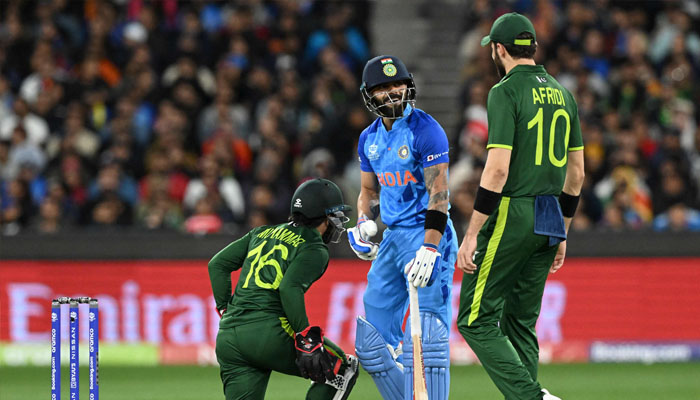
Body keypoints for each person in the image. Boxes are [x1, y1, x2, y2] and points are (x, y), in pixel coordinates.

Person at [455, 13, 585, 400]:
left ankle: (532, 397)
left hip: (515, 210)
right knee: (521, 323)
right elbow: (575, 174)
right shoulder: (564, 93)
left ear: (498, 49)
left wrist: (473, 232)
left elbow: (496, 170)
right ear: (532, 48)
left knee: (475, 320)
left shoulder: (504, 91)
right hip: (549, 214)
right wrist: (562, 228)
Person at [347, 55, 458, 400]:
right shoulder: (369, 139)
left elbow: (439, 195)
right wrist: (364, 221)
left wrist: (430, 248)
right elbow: (368, 192)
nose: (393, 93)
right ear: (370, 95)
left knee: (430, 338)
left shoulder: (427, 131)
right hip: (393, 238)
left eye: (397, 85)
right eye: (383, 88)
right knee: (372, 344)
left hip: (427, 235)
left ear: (408, 86)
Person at [209, 178, 359, 400]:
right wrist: (304, 335)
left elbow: (217, 264)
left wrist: (224, 309)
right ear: (324, 217)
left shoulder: (260, 232)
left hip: (229, 337)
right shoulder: (314, 248)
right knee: (342, 369)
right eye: (335, 216)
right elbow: (289, 287)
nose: (338, 222)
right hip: (268, 333)